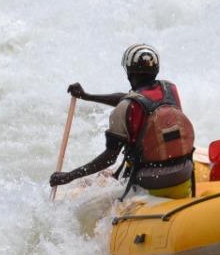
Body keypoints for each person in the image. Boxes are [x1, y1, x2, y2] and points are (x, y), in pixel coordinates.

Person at [49, 43, 196, 198]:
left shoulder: (124, 109)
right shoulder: (170, 90)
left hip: (151, 182)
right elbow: (135, 100)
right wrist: (88, 96)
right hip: (184, 171)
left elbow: (109, 159)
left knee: (103, 176)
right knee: (109, 175)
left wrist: (70, 176)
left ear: (129, 72)